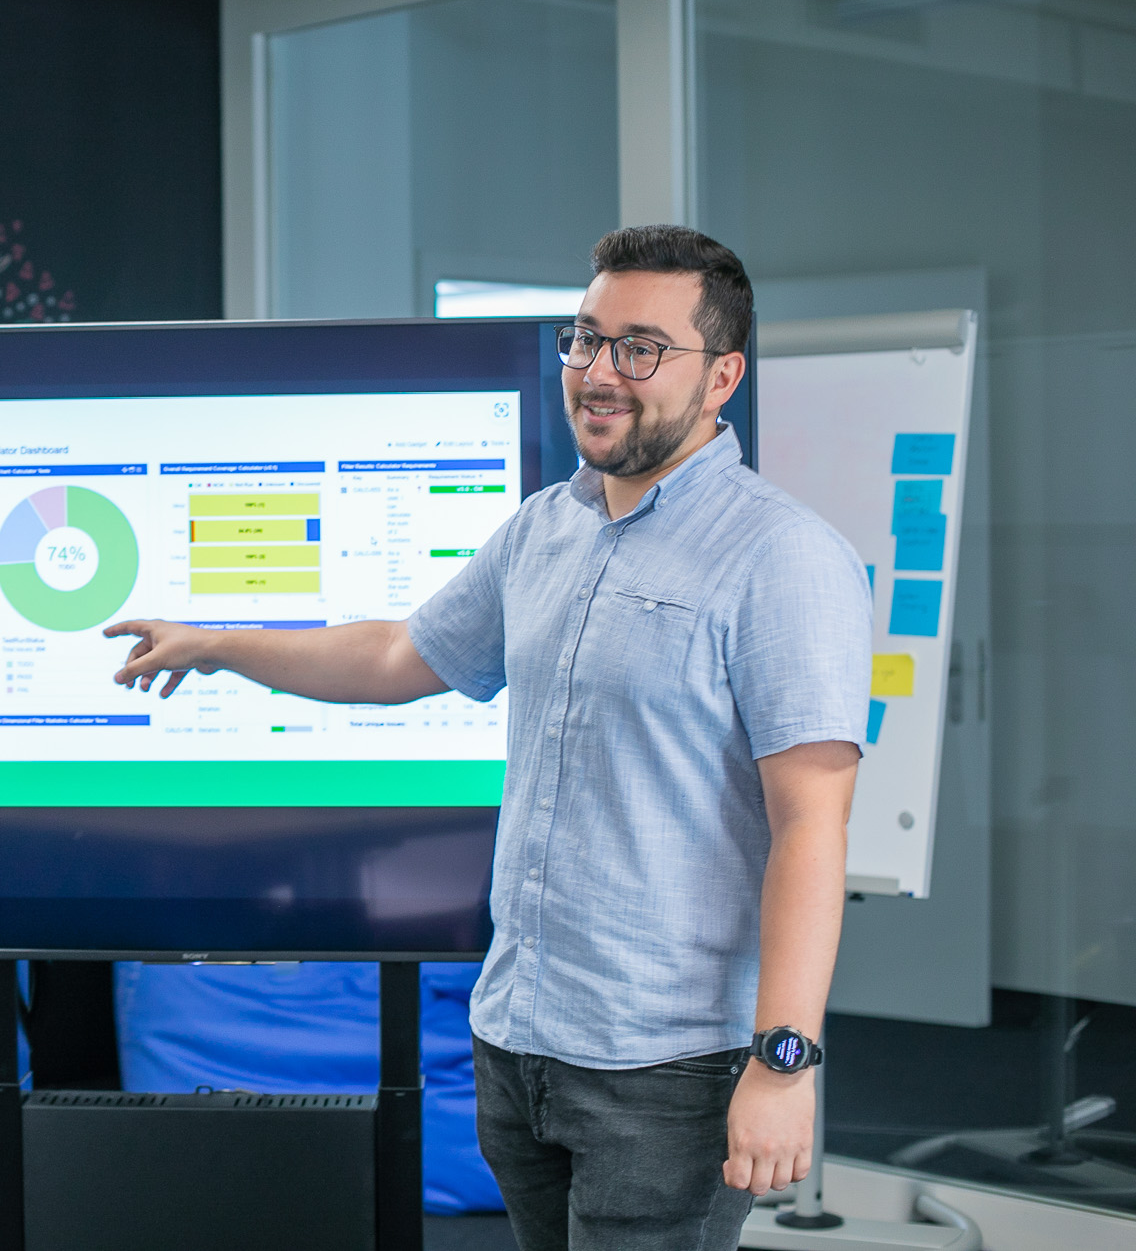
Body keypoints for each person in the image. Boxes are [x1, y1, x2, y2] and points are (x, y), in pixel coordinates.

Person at [107, 226, 869, 1250]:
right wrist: (217, 644)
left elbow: (811, 826)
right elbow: (395, 656)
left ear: (721, 376)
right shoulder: (543, 529)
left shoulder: (784, 557)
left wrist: (782, 1064)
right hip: (518, 1041)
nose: (600, 372)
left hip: (666, 1066)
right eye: (586, 339)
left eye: (641, 348)